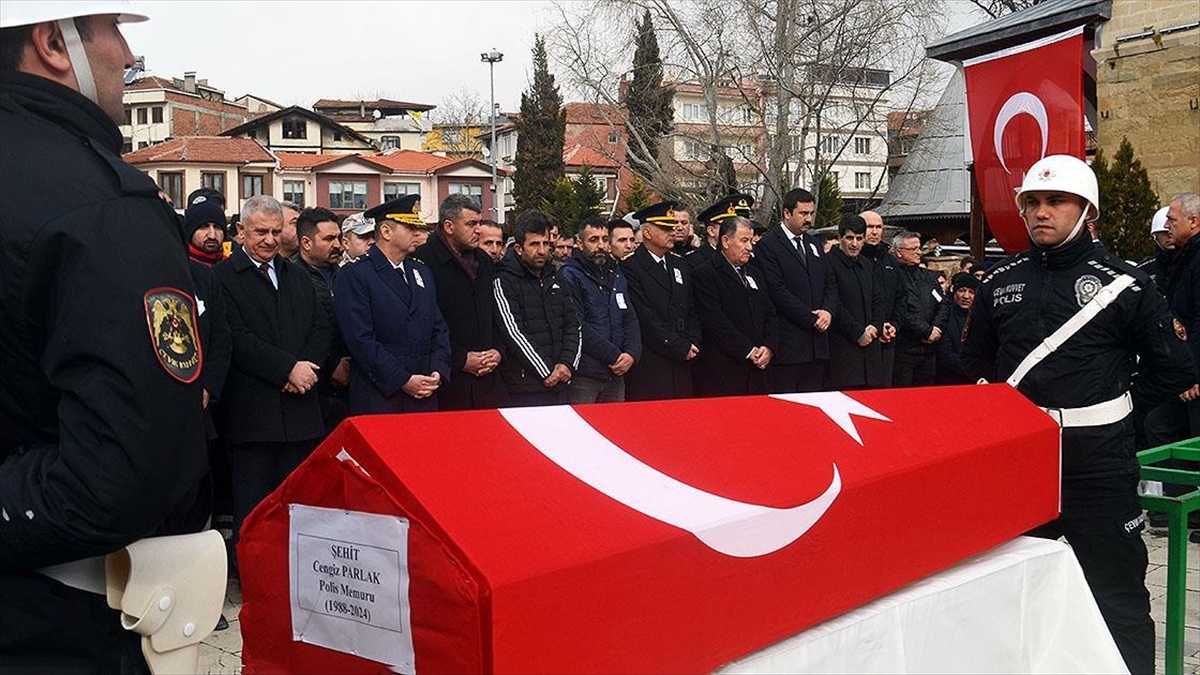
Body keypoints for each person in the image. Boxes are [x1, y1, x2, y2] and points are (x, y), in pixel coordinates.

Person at [1, 4, 210, 670]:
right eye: (113, 31)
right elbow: (118, 474)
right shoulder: (102, 205)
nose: (128, 55)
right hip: (47, 626)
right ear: (52, 43)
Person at [962, 155, 1195, 674]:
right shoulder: (999, 279)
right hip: (1021, 464)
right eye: (1034, 203)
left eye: (1056, 201)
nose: (1042, 212)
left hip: (1099, 466)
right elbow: (973, 362)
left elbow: (1174, 368)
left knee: (1118, 600)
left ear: (1086, 209)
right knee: (1008, 590)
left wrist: (1119, 414)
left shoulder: (1125, 284)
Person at [213, 195, 331, 573]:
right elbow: (235, 336)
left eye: (276, 232)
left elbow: (321, 325)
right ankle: (253, 575)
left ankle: (290, 576)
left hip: (299, 410)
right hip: (253, 414)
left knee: (295, 503)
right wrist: (285, 370)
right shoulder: (222, 278)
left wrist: (306, 369)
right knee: (253, 506)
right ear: (241, 231)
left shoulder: (297, 275)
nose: (269, 239)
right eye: (261, 232)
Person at [334, 194, 451, 415]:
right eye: (409, 227)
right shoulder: (357, 273)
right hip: (382, 394)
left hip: (424, 390)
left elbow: (439, 327)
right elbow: (360, 339)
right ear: (386, 232)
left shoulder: (421, 271)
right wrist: (402, 380)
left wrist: (438, 370)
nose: (418, 233)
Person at [413, 194, 509, 410]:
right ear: (449, 226)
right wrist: (460, 359)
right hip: (447, 383)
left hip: (489, 380)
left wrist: (498, 350)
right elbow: (422, 323)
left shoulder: (484, 261)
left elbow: (495, 313)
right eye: (471, 224)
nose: (478, 230)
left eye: (479, 223)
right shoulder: (422, 261)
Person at [1143, 193, 1200, 541]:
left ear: (1194, 222)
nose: (1166, 225)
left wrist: (1195, 375)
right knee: (1159, 426)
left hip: (1195, 375)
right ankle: (1181, 509)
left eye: (1173, 220)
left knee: (1194, 439)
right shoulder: (1183, 260)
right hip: (1184, 373)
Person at [751, 188, 837, 393]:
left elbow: (830, 283)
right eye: (803, 213)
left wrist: (828, 311)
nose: (809, 219)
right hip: (789, 347)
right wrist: (810, 317)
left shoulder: (813, 243)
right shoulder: (769, 245)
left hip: (818, 346)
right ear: (787, 213)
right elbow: (776, 290)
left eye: (811, 213)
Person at [492, 210, 581, 406]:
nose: (541, 251)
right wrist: (547, 371)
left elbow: (573, 324)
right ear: (518, 248)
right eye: (534, 244)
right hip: (524, 386)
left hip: (561, 382)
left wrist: (567, 365)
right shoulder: (504, 280)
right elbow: (512, 331)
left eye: (546, 244)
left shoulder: (556, 277)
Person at [621, 201, 702, 400]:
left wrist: (693, 341)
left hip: (683, 358)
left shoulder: (679, 263)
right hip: (653, 362)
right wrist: (677, 346)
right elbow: (645, 316)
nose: (672, 232)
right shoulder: (631, 267)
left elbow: (691, 307)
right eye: (665, 228)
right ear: (647, 233)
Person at [560, 216, 642, 404]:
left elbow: (629, 317)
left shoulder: (615, 273)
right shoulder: (569, 274)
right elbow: (578, 324)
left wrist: (631, 353)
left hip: (617, 374)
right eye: (593, 240)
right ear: (579, 244)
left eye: (605, 239)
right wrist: (614, 356)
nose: (601, 246)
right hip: (586, 374)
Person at [692, 215, 777, 397]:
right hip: (725, 372)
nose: (749, 247)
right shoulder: (706, 274)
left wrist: (768, 347)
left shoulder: (755, 273)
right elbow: (715, 322)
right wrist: (748, 350)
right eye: (744, 241)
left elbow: (769, 313)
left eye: (751, 241)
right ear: (725, 241)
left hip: (759, 372)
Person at [291, 207, 351, 431]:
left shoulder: (347, 274)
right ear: (306, 243)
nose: (338, 245)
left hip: (348, 387)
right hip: (312, 388)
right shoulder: (291, 277)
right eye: (328, 239)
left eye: (339, 237)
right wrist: (331, 364)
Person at [825, 214, 885, 391]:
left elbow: (878, 300)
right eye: (850, 238)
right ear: (840, 238)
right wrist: (858, 333)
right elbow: (834, 303)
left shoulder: (866, 265)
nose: (855, 244)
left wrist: (875, 326)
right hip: (843, 355)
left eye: (859, 239)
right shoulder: (828, 264)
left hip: (871, 354)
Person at [892, 231, 947, 387]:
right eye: (913, 249)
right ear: (899, 252)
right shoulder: (893, 276)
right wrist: (925, 330)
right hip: (905, 350)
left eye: (919, 248)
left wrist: (937, 328)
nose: (918, 252)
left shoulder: (930, 277)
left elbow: (943, 304)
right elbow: (903, 308)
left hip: (929, 350)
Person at [859, 210, 901, 386]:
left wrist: (894, 325)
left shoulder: (890, 262)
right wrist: (876, 326)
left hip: (888, 340)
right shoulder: (854, 259)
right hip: (862, 338)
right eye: (870, 227)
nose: (875, 232)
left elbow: (901, 297)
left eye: (878, 227)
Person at [689, 193, 754, 271]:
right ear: (711, 231)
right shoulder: (695, 262)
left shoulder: (749, 260)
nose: (736, 231)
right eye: (729, 227)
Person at [934, 272, 976, 385]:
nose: (966, 296)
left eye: (971, 292)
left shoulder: (981, 318)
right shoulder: (944, 316)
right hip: (950, 379)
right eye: (961, 290)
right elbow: (945, 355)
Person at [184, 193, 228, 266]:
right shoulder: (179, 266)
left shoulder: (233, 266)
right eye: (204, 227)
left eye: (217, 227)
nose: (212, 235)